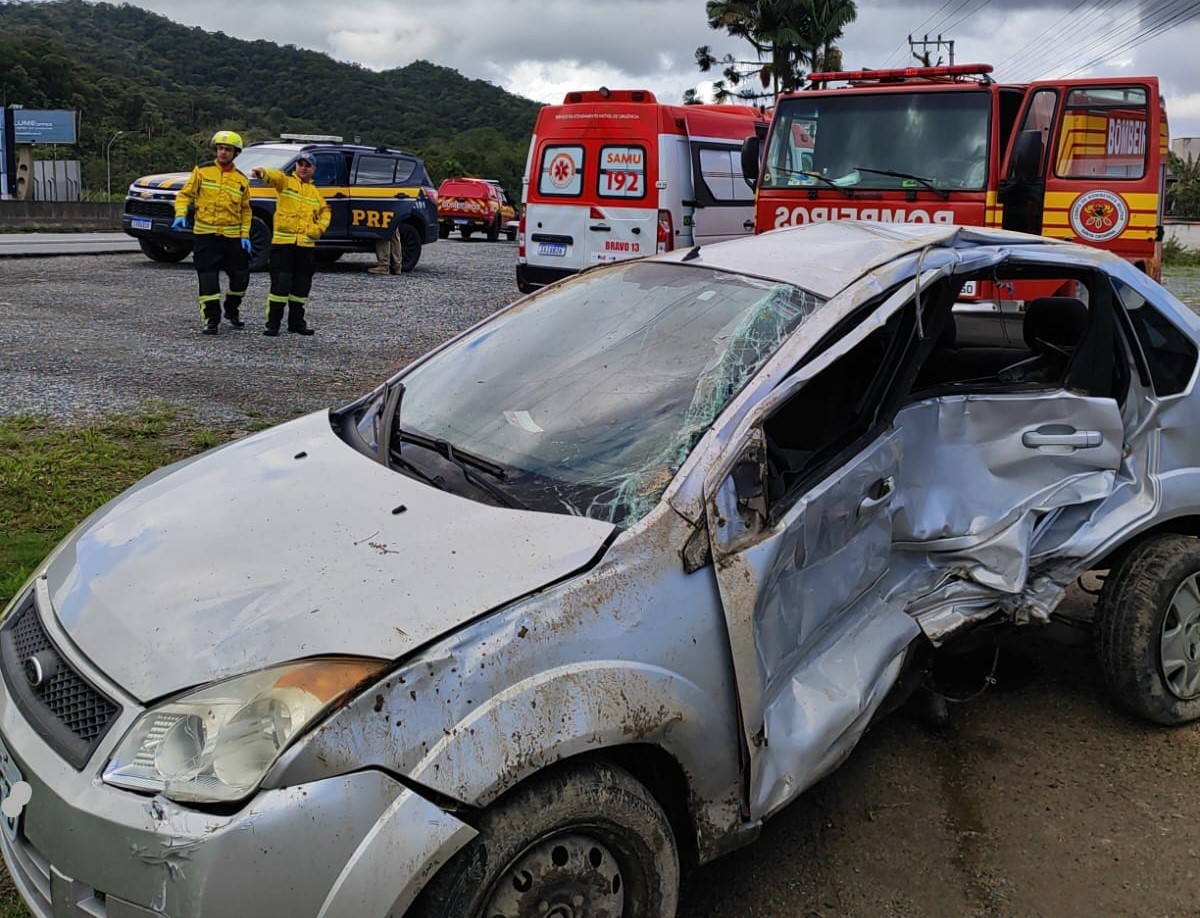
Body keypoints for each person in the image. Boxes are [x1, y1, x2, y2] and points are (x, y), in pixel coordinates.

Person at [173, 130, 252, 335]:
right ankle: (211, 320)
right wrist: (180, 214)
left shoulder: (241, 180)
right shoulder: (202, 171)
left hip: (232, 238)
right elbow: (185, 195)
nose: (223, 152)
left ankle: (232, 310)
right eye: (220, 148)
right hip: (206, 236)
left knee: (241, 278)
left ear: (235, 153)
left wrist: (245, 235)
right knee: (208, 280)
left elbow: (245, 210)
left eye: (228, 149)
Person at [251, 152, 332, 336]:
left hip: (305, 247)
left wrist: (319, 229)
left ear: (313, 169)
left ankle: (296, 323)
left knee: (301, 287)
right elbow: (274, 177)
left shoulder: (315, 192)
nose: (303, 168)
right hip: (284, 245)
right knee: (281, 285)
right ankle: (273, 324)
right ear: (295, 166)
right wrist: (262, 172)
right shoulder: (285, 182)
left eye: (307, 165)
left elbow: (326, 211)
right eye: (300, 164)